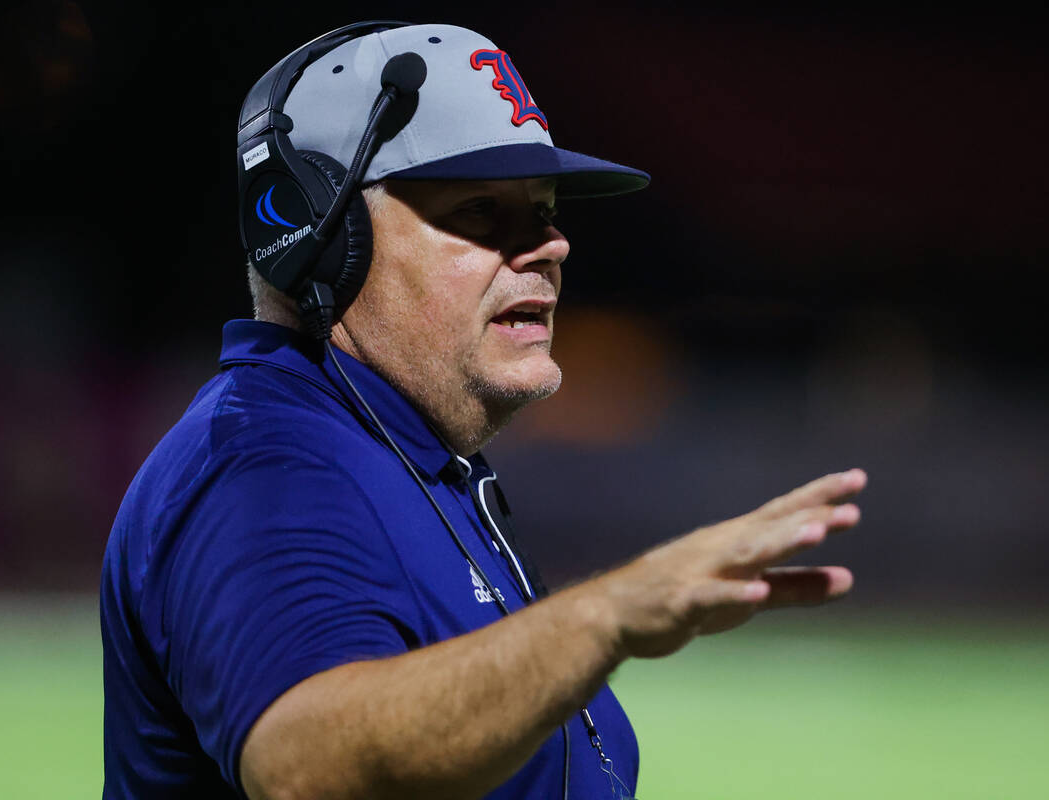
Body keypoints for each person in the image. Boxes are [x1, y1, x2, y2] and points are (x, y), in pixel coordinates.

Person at [99, 21, 867, 800]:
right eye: (479, 211)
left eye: (542, 210)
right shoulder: (268, 467)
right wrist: (605, 615)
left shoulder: (407, 456)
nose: (552, 246)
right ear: (315, 240)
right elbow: (304, 769)